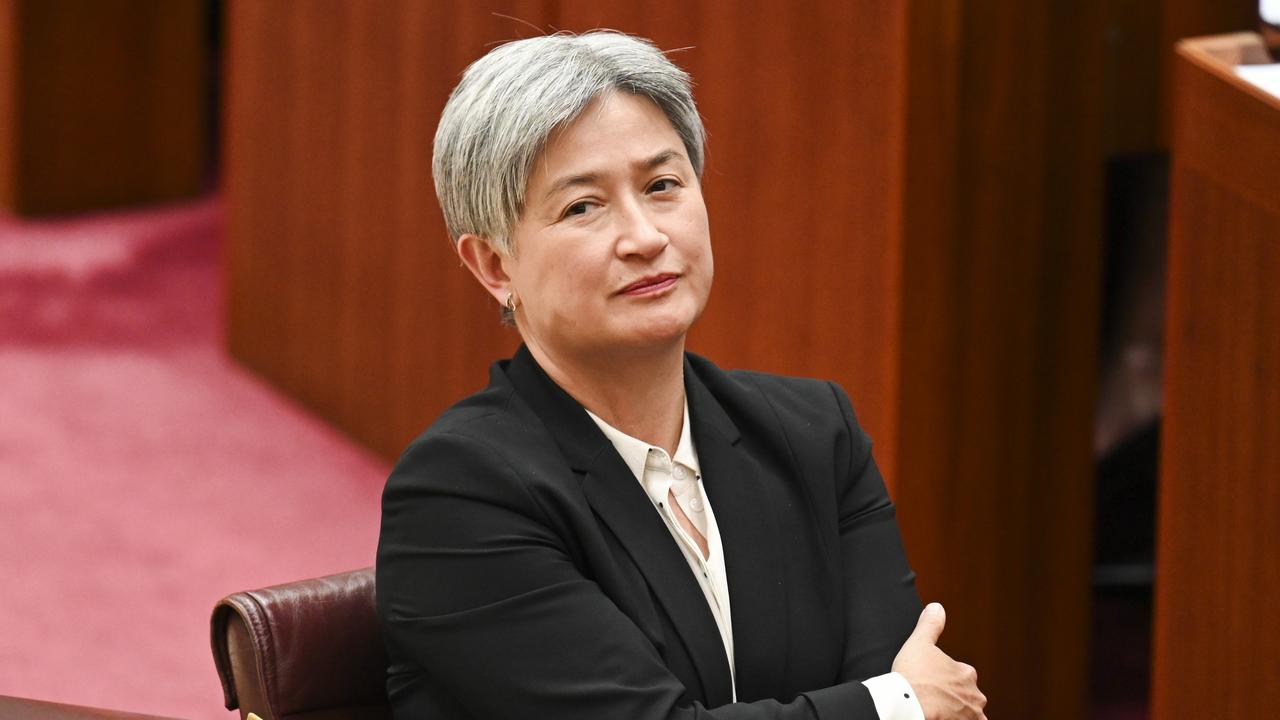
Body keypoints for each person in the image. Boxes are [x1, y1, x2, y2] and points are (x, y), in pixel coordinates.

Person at [376, 31, 987, 720]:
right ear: (494, 267)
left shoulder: (814, 434)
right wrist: (897, 706)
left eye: (662, 185)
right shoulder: (461, 492)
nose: (643, 237)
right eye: (583, 206)